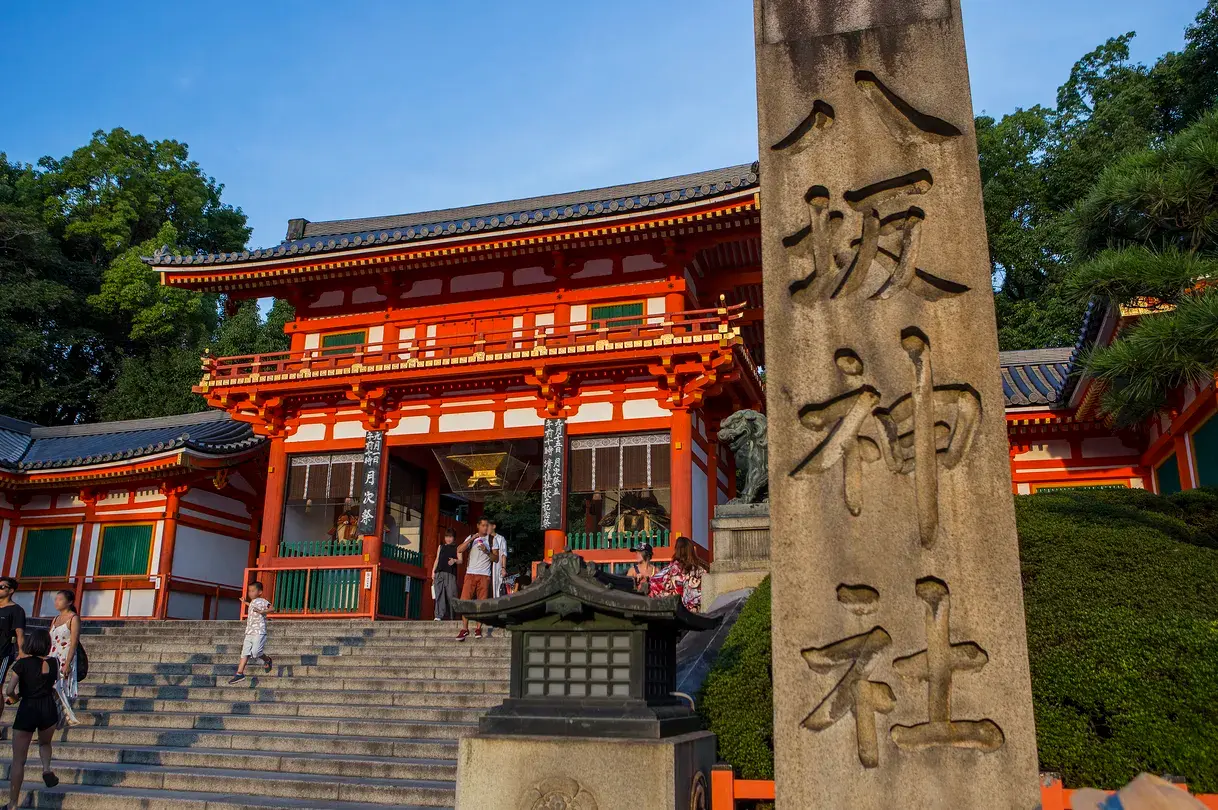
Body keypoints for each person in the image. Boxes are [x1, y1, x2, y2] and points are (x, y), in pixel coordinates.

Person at [4, 628, 60, 809]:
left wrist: (14, 698)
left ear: (31, 643)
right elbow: (54, 683)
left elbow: (9, 690)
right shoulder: (54, 662)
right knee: (44, 744)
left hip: (28, 708)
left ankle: (13, 803)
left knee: (19, 760)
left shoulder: (22, 664)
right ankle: (46, 769)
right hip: (48, 708)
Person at [455, 518, 498, 641]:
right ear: (478, 526)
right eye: (483, 525)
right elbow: (459, 550)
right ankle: (464, 628)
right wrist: (472, 539)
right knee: (464, 601)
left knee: (481, 602)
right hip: (470, 574)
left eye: (487, 525)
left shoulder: (492, 540)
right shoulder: (471, 538)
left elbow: (496, 559)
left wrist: (487, 551)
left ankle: (478, 628)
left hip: (484, 575)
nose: (485, 528)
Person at [229, 582, 273, 684]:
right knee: (245, 652)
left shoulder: (263, 601)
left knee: (256, 652)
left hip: (259, 631)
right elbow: (252, 606)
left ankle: (267, 660)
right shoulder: (253, 602)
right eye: (249, 591)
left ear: (260, 592)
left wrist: (263, 612)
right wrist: (245, 602)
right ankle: (239, 673)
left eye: (253, 591)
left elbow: (272, 608)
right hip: (249, 631)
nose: (250, 593)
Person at [649, 535, 707, 613]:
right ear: (692, 551)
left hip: (676, 609)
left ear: (677, 550)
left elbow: (654, 582)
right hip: (695, 610)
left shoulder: (672, 569)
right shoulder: (700, 570)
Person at [47, 591, 80, 726]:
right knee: (50, 689)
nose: (57, 602)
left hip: (65, 656)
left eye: (60, 599)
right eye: (56, 599)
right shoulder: (55, 619)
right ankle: (55, 720)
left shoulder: (73, 618)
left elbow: (74, 642)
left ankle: (61, 718)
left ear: (69, 602)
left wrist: (67, 663)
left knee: (58, 688)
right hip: (52, 656)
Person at [0, 577, 26, 727]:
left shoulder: (16, 610)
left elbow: (20, 633)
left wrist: (21, 652)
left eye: (2, 587)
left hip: (3, 652)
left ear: (11, 591)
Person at [431, 528, 459, 621]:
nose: (448, 539)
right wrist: (433, 571)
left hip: (450, 573)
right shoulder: (441, 547)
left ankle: (452, 616)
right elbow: (437, 559)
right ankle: (438, 615)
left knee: (451, 595)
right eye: (447, 536)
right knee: (439, 594)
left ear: (454, 538)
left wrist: (454, 560)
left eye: (450, 537)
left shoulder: (457, 548)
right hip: (439, 572)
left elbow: (461, 560)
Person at [488, 518, 508, 598]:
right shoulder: (485, 538)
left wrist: (503, 567)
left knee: (496, 587)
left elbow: (504, 554)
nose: (486, 528)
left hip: (497, 566)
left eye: (488, 526)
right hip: (486, 566)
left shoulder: (500, 539)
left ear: (494, 526)